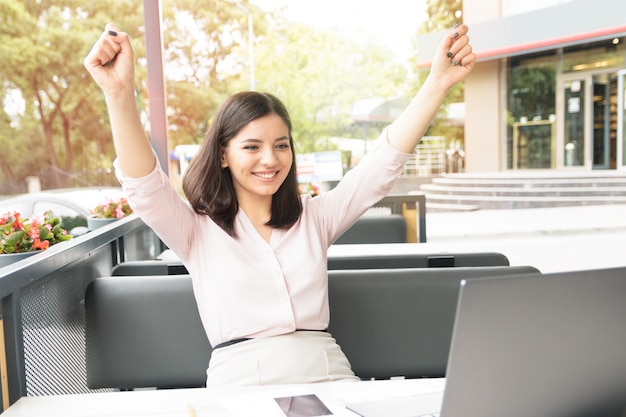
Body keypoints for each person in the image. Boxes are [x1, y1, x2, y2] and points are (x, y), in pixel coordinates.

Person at [84, 22, 475, 388]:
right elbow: (145, 186)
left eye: (281, 145)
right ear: (223, 155)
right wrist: (118, 95)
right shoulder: (196, 230)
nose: (270, 160)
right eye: (252, 147)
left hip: (328, 377)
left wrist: (438, 83)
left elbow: (379, 167)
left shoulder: (314, 217)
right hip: (238, 385)